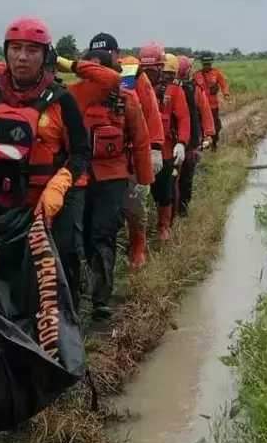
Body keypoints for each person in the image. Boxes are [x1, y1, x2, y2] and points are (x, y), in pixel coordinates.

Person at [0, 17, 96, 309]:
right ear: (5, 52)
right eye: (16, 48)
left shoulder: (62, 100)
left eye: (32, 50)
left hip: (49, 201)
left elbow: (81, 153)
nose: (22, 57)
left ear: (45, 55)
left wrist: (58, 187)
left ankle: (64, 329)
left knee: (64, 257)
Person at [78, 48, 153, 319]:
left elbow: (141, 142)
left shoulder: (127, 101)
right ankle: (81, 290)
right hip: (80, 178)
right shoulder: (75, 97)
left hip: (113, 177)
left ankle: (101, 298)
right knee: (82, 236)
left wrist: (143, 180)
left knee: (102, 235)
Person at [120, 46, 166, 267]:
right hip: (102, 155)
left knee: (135, 203)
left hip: (134, 150)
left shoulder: (134, 74)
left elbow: (151, 111)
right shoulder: (92, 75)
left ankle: (138, 246)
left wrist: (155, 148)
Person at [141, 51, 190, 243]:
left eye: (154, 68)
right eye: (147, 69)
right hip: (138, 150)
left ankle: (163, 227)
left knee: (165, 191)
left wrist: (182, 143)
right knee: (136, 197)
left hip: (166, 151)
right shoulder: (135, 87)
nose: (151, 72)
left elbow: (184, 119)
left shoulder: (174, 91)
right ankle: (138, 235)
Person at [176, 55, 215, 217]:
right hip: (189, 141)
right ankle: (181, 210)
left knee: (178, 178)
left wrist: (209, 134)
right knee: (185, 178)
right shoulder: (193, 89)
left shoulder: (168, 89)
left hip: (177, 141)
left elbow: (205, 112)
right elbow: (206, 112)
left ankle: (178, 211)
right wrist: (209, 135)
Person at [193, 51, 230, 151]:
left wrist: (226, 94)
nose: (207, 66)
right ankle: (200, 144)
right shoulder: (196, 75)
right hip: (200, 107)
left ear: (211, 63)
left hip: (213, 106)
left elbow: (223, 83)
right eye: (205, 64)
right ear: (201, 63)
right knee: (199, 126)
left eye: (209, 64)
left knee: (215, 125)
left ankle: (214, 143)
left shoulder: (216, 73)